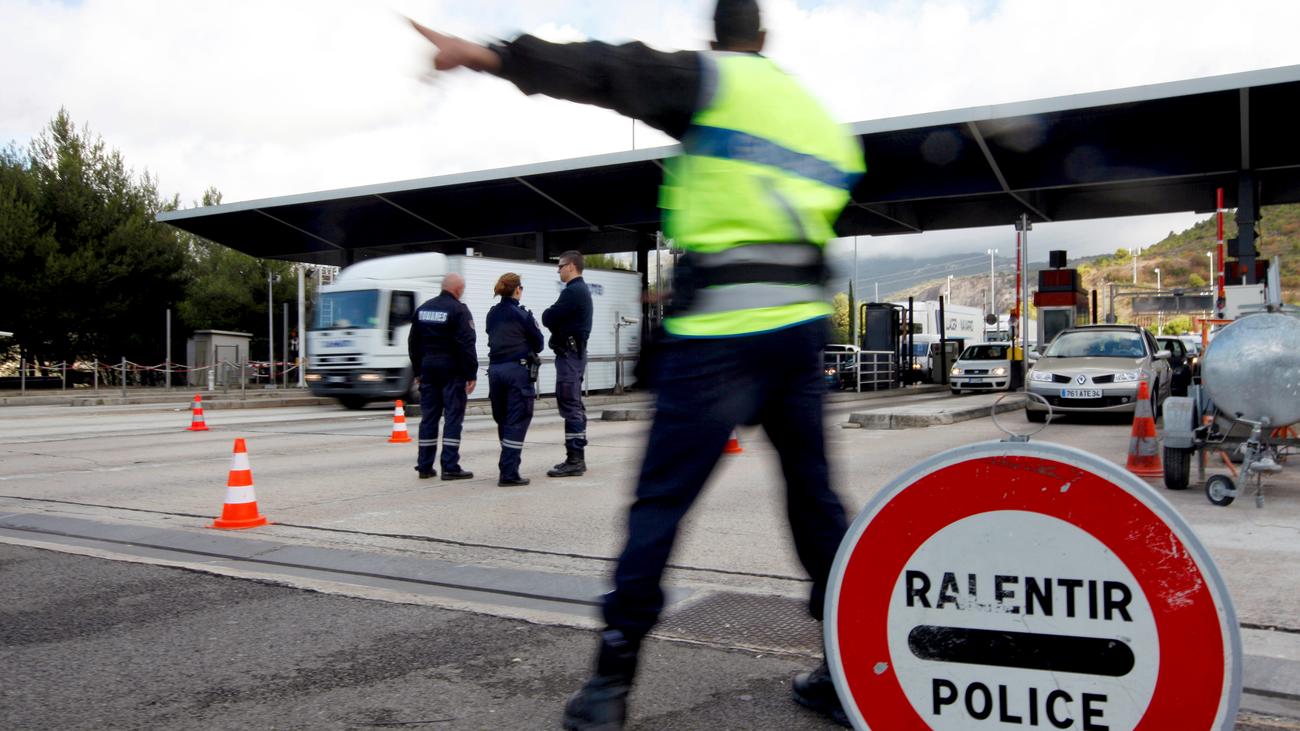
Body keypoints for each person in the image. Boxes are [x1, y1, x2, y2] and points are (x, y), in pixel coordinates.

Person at [410, 1, 864, 727]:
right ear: (766, 37)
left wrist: (491, 54)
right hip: (799, 335)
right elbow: (829, 196)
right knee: (817, 505)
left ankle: (607, 689)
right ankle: (852, 668)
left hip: (718, 330)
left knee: (660, 505)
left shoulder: (713, 80)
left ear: (718, 37)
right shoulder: (817, 118)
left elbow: (605, 70)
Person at [407, 272, 477, 481]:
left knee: (429, 418)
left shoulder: (423, 309)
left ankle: (424, 466)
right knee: (453, 418)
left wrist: (418, 370)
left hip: (428, 370)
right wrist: (470, 373)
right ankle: (450, 466)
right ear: (457, 289)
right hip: (451, 371)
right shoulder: (459, 310)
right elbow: (466, 344)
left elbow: (413, 343)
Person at [485, 272, 544, 487]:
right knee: (516, 421)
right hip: (516, 373)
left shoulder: (491, 314)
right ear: (517, 289)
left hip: (495, 371)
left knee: (503, 420)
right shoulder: (522, 314)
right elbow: (539, 343)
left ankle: (509, 466)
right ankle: (509, 472)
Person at [542, 250, 593, 478]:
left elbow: (548, 317)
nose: (559, 270)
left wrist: (550, 317)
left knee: (569, 402)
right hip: (574, 353)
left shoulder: (573, 292)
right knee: (573, 403)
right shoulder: (579, 291)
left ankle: (575, 459)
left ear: (571, 266)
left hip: (569, 355)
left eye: (560, 266)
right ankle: (576, 452)